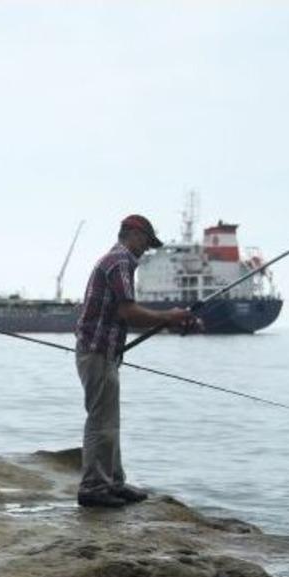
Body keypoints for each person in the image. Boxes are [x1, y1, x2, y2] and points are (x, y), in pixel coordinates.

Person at [74, 214, 199, 508]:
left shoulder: (117, 260)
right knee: (101, 421)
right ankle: (93, 488)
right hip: (98, 352)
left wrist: (168, 321)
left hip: (103, 352)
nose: (146, 249)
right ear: (133, 234)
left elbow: (121, 314)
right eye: (146, 242)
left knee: (109, 420)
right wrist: (169, 316)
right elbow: (128, 312)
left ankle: (113, 482)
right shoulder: (121, 261)